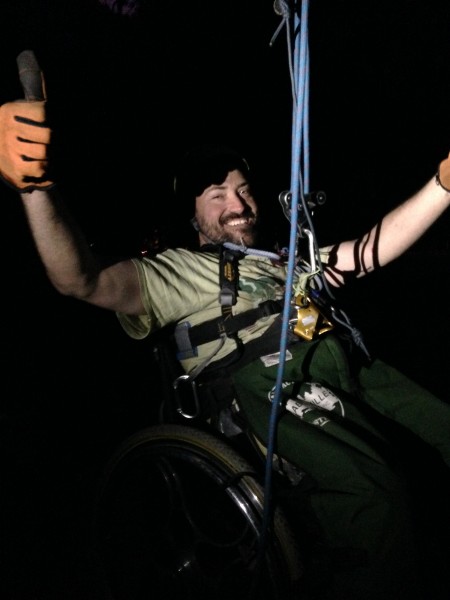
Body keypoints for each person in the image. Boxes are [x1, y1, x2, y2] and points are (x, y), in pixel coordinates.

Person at [1, 72, 450, 600]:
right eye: (217, 195)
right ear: (192, 214)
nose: (237, 204)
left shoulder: (282, 259)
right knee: (375, 498)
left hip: (348, 367)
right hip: (268, 386)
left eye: (242, 190)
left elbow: (367, 251)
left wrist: (442, 184)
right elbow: (80, 279)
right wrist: (36, 189)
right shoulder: (175, 270)